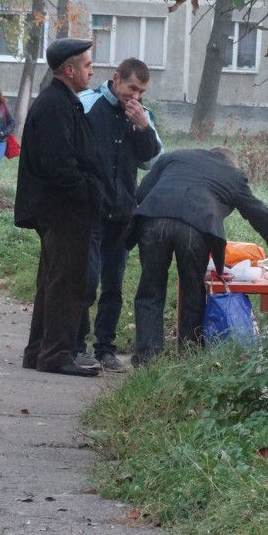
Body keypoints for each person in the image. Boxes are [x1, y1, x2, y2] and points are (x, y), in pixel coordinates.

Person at [129, 147, 268, 366]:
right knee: (192, 290)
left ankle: (147, 358)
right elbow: (259, 213)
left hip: (153, 221)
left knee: (150, 289)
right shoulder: (232, 175)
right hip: (195, 227)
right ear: (231, 163)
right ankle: (189, 356)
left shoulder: (174, 157)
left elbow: (141, 193)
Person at [14, 38, 105, 377]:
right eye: (86, 65)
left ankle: (39, 349)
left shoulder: (63, 101)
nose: (91, 70)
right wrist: (86, 191)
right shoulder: (55, 105)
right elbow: (60, 163)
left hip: (62, 208)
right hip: (65, 209)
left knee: (53, 280)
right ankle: (57, 354)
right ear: (69, 70)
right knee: (67, 283)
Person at [74, 58, 163, 372]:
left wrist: (142, 126)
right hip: (90, 209)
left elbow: (151, 161)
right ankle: (77, 345)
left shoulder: (143, 116)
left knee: (113, 285)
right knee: (87, 279)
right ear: (115, 79)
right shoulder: (87, 104)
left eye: (141, 92)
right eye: (131, 88)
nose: (135, 97)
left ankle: (105, 348)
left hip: (123, 211)